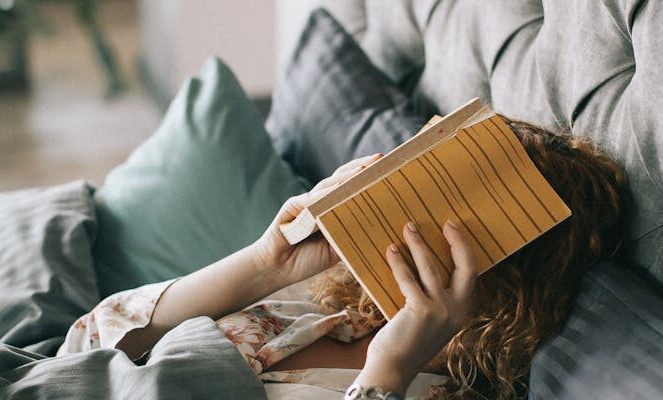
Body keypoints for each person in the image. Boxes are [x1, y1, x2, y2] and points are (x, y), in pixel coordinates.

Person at [58, 119, 627, 400]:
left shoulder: (428, 388)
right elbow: (87, 345)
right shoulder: (330, 307)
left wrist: (391, 369)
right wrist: (264, 265)